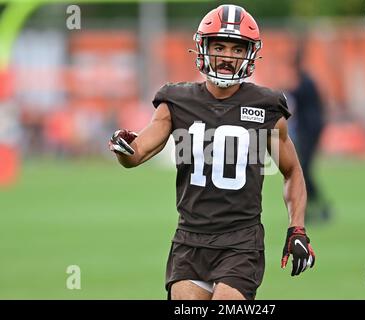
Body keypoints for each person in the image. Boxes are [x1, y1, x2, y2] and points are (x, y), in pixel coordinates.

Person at [109, 4, 315, 300]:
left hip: (240, 241)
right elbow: (137, 153)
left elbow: (292, 171)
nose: (227, 57)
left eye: (236, 49)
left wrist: (297, 229)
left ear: (249, 53)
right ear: (203, 48)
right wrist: (122, 147)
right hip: (190, 240)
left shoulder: (266, 106)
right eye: (219, 46)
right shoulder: (176, 100)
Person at [289, 68, 330, 223]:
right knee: (305, 169)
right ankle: (315, 206)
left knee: (304, 169)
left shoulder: (305, 85)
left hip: (309, 131)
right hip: (310, 130)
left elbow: (295, 96)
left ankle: (315, 206)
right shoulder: (308, 84)